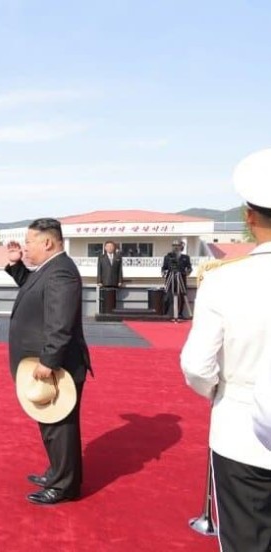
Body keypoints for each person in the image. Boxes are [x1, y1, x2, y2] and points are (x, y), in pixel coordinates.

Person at [183, 148, 271, 552]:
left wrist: (220, 392)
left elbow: (198, 367)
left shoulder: (224, 282)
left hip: (243, 433)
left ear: (249, 218)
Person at [5, 218, 92, 505]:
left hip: (56, 365)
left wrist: (49, 359)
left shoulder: (61, 272)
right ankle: (58, 472)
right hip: (42, 362)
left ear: (47, 242)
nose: (25, 247)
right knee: (49, 422)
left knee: (60, 426)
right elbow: (31, 287)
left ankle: (64, 486)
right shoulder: (49, 269)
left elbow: (60, 322)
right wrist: (17, 265)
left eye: (29, 242)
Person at [161, 239, 192, 320]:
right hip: (170, 279)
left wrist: (187, 272)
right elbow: (164, 268)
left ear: (181, 247)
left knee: (181, 296)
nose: (176, 247)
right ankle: (166, 313)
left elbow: (189, 268)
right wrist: (163, 272)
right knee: (167, 296)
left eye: (177, 246)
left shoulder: (186, 257)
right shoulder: (167, 257)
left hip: (181, 279)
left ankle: (180, 314)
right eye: (174, 246)